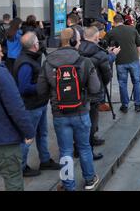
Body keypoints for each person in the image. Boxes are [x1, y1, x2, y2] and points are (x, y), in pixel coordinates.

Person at [37, 28, 101, 191]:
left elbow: (41, 90)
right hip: (81, 112)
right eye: (78, 39)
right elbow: (95, 88)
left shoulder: (48, 62)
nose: (79, 42)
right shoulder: (84, 61)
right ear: (73, 41)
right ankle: (89, 179)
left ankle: (68, 185)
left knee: (65, 150)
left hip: (59, 113)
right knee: (84, 147)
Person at [13, 32, 60, 177]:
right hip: (31, 106)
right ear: (34, 45)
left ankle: (45, 160)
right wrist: (43, 85)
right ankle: (21, 167)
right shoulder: (25, 63)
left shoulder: (30, 58)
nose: (40, 44)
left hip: (39, 104)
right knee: (28, 137)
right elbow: (24, 87)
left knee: (42, 133)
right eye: (38, 42)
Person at [0, 40, 35, 191]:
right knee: (13, 181)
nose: (2, 53)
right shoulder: (0, 74)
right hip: (4, 141)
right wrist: (29, 131)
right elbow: (16, 107)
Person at [79, 26, 117, 160]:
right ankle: (88, 148)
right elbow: (107, 75)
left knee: (82, 120)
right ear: (96, 37)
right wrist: (112, 55)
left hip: (79, 91)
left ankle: (80, 145)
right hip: (95, 91)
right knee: (92, 120)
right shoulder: (100, 54)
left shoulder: (77, 49)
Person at [105, 14, 140, 113]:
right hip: (133, 60)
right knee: (137, 82)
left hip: (120, 62)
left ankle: (125, 105)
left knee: (122, 83)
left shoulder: (111, 32)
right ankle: (138, 105)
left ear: (114, 22)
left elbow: (105, 47)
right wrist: (137, 57)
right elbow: (139, 46)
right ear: (123, 20)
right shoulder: (132, 29)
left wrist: (111, 51)